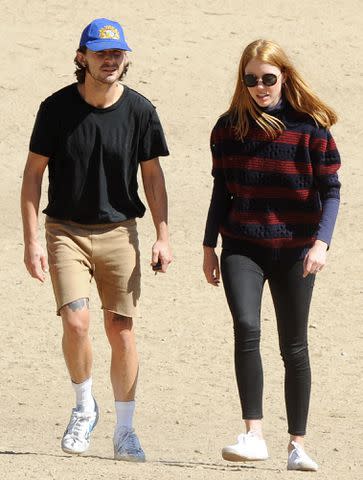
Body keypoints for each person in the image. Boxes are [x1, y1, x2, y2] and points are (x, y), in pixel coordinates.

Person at [21, 17, 172, 462]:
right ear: (81, 57)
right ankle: (84, 407)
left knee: (121, 330)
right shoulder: (56, 108)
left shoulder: (141, 111)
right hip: (64, 230)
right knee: (76, 321)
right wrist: (31, 241)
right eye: (101, 52)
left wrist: (163, 236)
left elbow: (154, 179)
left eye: (117, 53)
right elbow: (32, 176)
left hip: (120, 231)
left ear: (125, 59)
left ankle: (125, 430)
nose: (110, 60)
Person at [203, 39, 341, 471]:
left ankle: (297, 444)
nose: (260, 87)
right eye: (251, 80)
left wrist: (322, 242)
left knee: (293, 345)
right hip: (242, 245)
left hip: (296, 249)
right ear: (242, 81)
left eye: (268, 78)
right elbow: (220, 191)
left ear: (284, 76)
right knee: (246, 327)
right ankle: (253, 434)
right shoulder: (229, 128)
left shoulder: (312, 128)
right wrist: (209, 246)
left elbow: (331, 191)